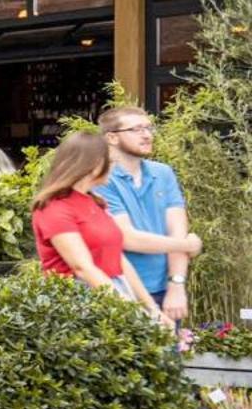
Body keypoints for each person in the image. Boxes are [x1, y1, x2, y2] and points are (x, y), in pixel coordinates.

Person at [33, 130, 162, 316]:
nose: (114, 167)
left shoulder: (95, 201)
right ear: (93, 164)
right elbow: (82, 268)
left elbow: (118, 258)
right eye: (110, 161)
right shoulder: (54, 208)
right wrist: (128, 311)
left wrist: (151, 308)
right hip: (79, 303)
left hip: (112, 292)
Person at [97, 106, 203, 320]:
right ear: (112, 137)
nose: (147, 135)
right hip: (121, 291)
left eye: (148, 128)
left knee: (170, 353)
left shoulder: (162, 172)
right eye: (136, 129)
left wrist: (176, 285)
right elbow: (127, 238)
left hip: (165, 288)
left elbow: (178, 230)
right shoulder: (100, 179)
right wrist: (188, 245)